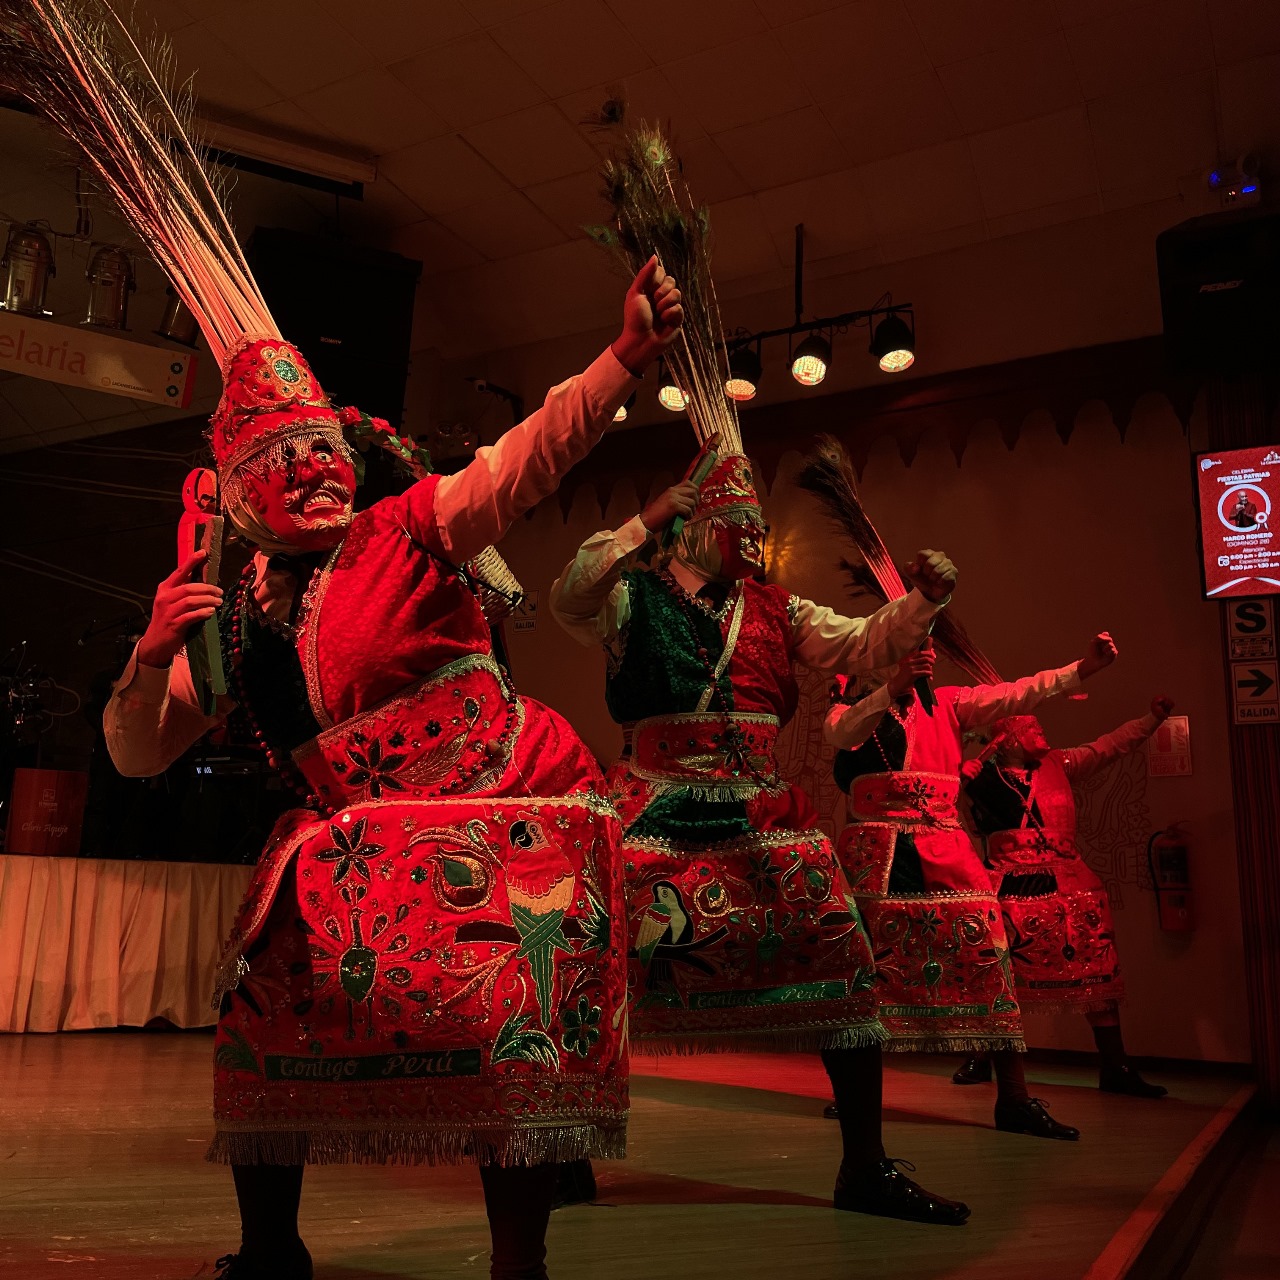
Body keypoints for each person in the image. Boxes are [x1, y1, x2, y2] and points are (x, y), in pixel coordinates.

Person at [105, 257, 684, 1280]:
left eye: (324, 449)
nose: (318, 470)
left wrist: (623, 358)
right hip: (365, 851)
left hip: (497, 805)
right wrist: (149, 659)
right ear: (237, 489)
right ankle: (271, 1249)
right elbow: (136, 752)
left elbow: (523, 459)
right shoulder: (229, 623)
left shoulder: (411, 525)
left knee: (512, 1018)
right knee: (262, 999)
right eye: (286, 458)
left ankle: (518, 1261)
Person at [550, 465, 972, 1226]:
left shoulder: (779, 609)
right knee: (585, 960)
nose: (755, 535)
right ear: (690, 528)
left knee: (844, 955)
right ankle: (562, 1150)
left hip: (759, 814)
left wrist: (924, 601)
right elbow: (569, 596)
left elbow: (863, 644)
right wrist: (643, 520)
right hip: (652, 804)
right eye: (738, 521)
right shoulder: (630, 596)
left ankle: (866, 1166)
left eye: (759, 524)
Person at [826, 634, 1120, 1142]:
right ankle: (855, 1093)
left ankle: (1015, 1098)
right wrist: (890, 687)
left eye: (927, 646)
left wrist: (1081, 669)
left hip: (944, 848)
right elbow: (841, 732)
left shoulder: (949, 703)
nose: (927, 654)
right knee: (860, 973)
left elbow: (1017, 692)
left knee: (990, 961)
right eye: (912, 645)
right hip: (874, 857)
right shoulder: (849, 709)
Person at [953, 698, 1175, 1099]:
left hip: (1070, 882)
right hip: (1007, 883)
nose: (1042, 733)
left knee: (1096, 964)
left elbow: (1109, 746)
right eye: (1032, 729)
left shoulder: (1060, 763)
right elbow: (941, 804)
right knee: (996, 971)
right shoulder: (978, 776)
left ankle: (1115, 1065)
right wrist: (957, 778)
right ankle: (981, 1054)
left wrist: (1151, 719)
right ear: (1008, 739)